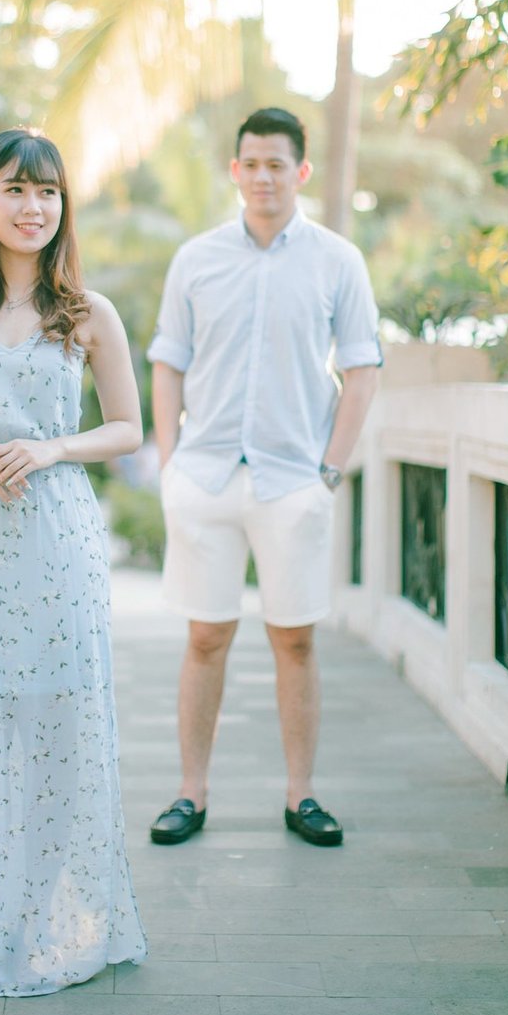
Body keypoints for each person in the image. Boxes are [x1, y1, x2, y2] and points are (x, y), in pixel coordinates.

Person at [0, 127, 148, 996]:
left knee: (55, 727)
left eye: (48, 193)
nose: (33, 207)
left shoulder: (89, 313)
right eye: (15, 189)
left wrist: (50, 451)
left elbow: (129, 428)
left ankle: (39, 919)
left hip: (59, 541)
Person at [147, 107, 381, 848]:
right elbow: (167, 361)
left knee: (296, 642)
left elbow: (363, 367)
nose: (262, 176)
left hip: (292, 483)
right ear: (235, 171)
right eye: (250, 163)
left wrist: (330, 473)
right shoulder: (196, 258)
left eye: (277, 164)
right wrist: (168, 465)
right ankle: (190, 793)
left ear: (300, 172)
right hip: (206, 476)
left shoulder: (338, 260)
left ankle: (301, 795)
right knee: (205, 636)